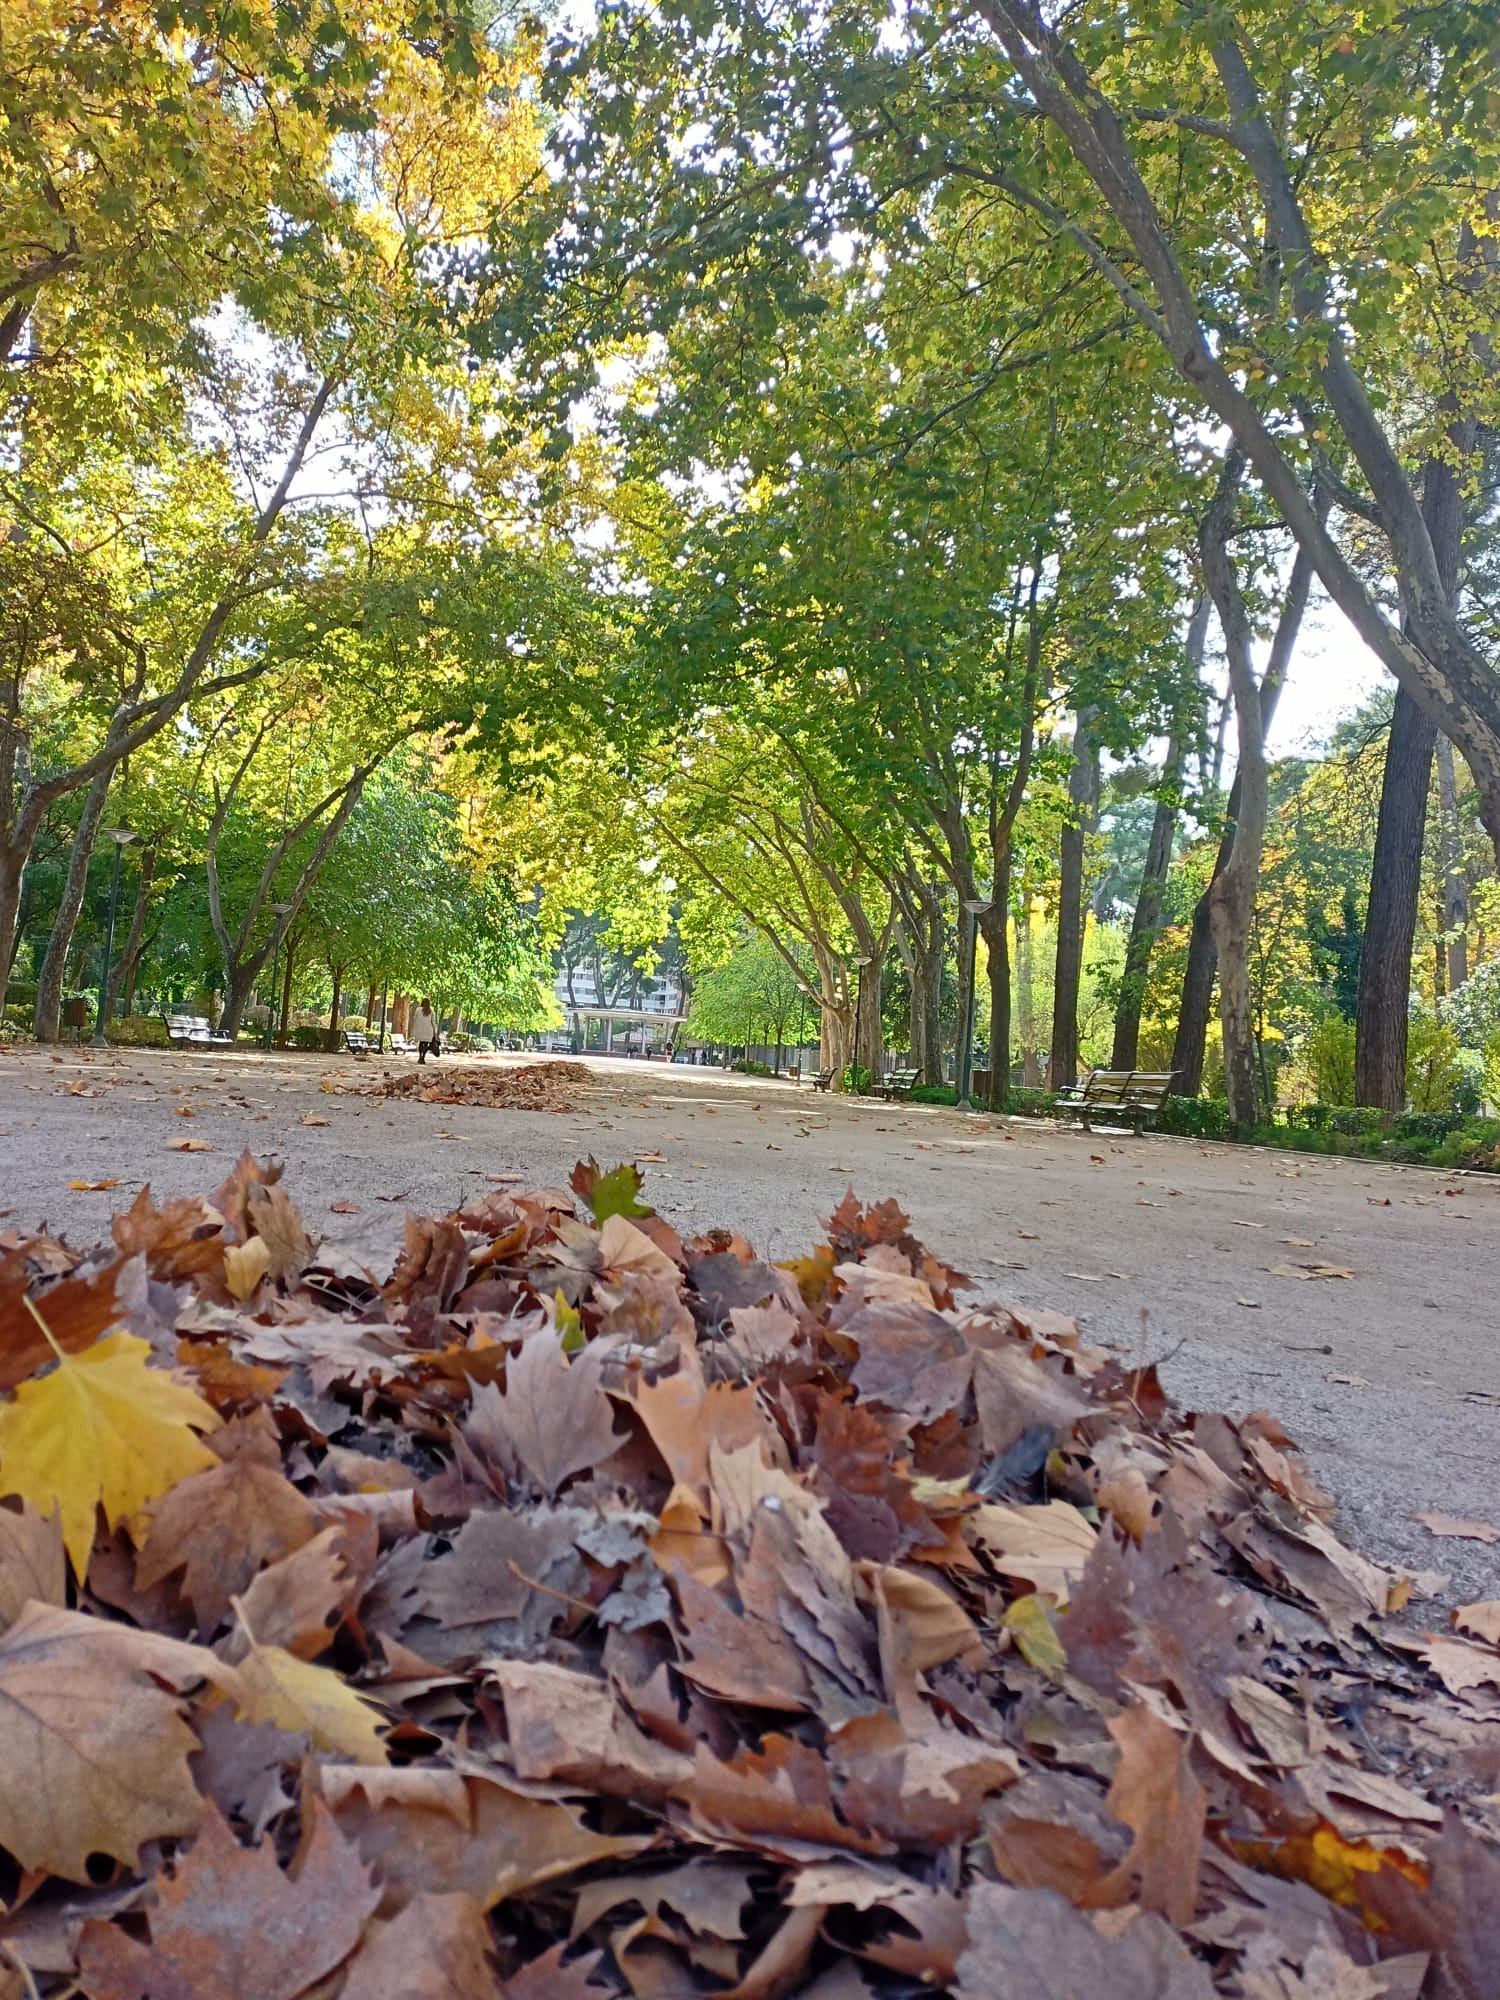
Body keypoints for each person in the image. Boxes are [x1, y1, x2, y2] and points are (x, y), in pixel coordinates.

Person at [412, 998, 441, 1063]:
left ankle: (420, 1057)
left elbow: (415, 1019)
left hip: (420, 1030)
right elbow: (433, 1022)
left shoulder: (418, 1010)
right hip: (428, 1031)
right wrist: (434, 1032)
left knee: (421, 1044)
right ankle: (423, 1058)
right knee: (425, 1044)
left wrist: (415, 1029)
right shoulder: (431, 1011)